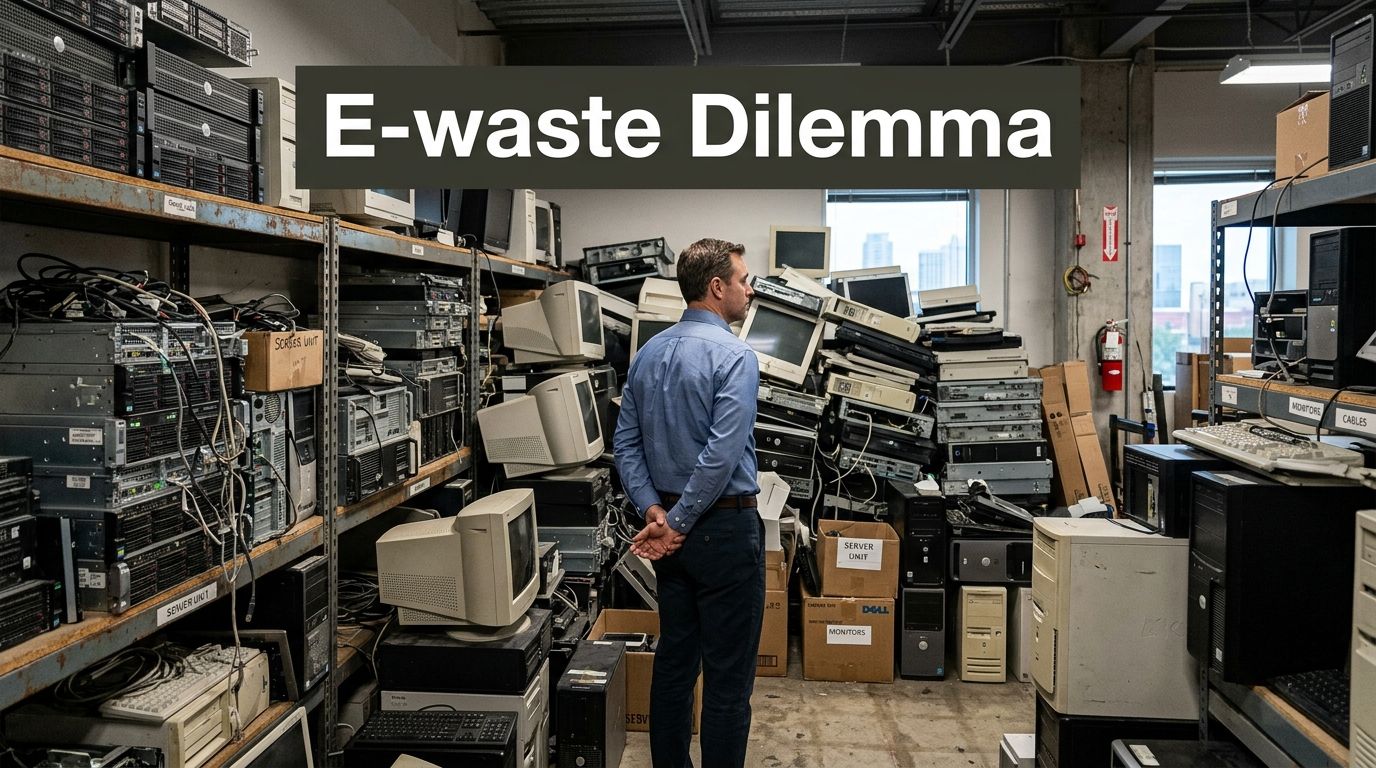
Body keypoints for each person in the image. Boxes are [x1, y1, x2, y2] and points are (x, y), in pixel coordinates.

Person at [613, 238, 763, 768]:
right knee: (726, 682)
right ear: (717, 287)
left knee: (675, 664)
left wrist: (655, 512)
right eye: (743, 280)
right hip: (722, 531)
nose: (749, 289)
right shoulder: (736, 358)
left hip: (670, 537)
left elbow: (624, 445)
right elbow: (721, 457)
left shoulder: (647, 354)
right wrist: (674, 522)